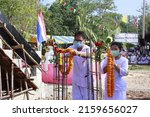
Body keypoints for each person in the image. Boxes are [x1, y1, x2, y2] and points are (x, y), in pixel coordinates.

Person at [68, 31, 93, 100]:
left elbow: (88, 55)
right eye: (76, 40)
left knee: (87, 99)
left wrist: (78, 53)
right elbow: (64, 54)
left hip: (86, 79)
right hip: (76, 79)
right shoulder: (72, 48)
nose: (78, 42)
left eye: (80, 40)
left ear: (84, 40)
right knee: (76, 99)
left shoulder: (87, 49)